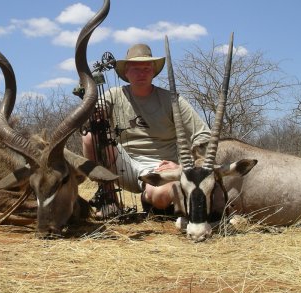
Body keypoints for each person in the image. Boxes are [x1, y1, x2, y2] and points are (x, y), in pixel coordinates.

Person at [82, 43, 211, 218]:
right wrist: (91, 104)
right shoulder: (113, 95)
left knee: (161, 197)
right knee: (90, 137)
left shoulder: (172, 100)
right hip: (123, 166)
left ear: (153, 71)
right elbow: (95, 112)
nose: (141, 73)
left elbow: (203, 136)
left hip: (161, 167)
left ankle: (149, 198)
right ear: (126, 72)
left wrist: (182, 166)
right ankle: (109, 198)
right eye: (135, 69)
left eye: (146, 68)